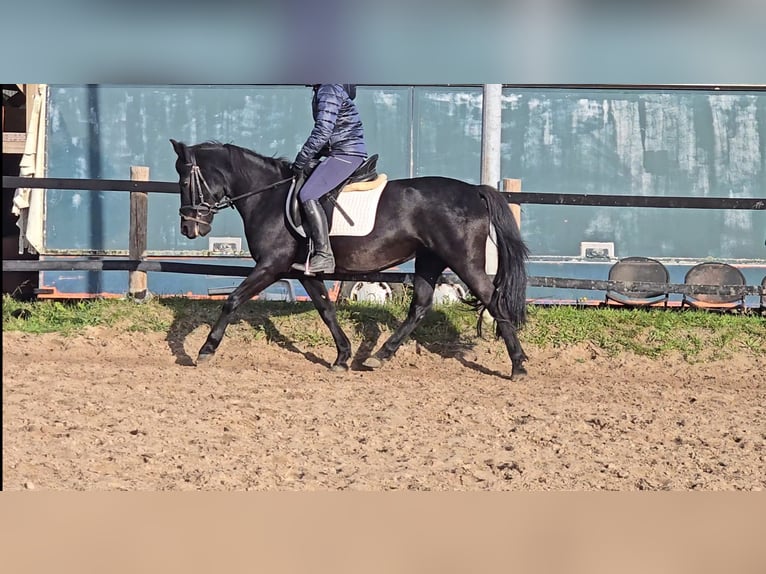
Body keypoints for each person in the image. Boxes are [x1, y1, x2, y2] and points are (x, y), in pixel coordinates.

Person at [291, 84, 368, 275]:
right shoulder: (327, 88)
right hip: (340, 151)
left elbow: (323, 131)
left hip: (345, 153)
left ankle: (324, 256)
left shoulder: (329, 89)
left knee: (308, 194)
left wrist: (301, 160)